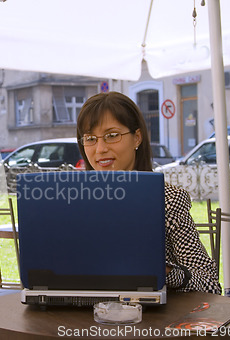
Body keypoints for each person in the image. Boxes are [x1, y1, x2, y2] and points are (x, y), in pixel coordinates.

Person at [76, 91, 221, 295]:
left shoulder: (167, 199)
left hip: (148, 321)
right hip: (83, 317)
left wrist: (164, 271)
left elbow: (210, 285)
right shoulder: (74, 201)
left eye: (111, 136)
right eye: (90, 138)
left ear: (137, 138)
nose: (100, 149)